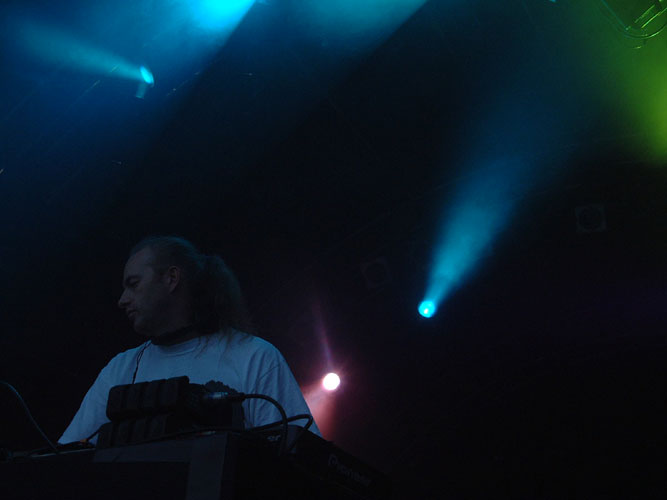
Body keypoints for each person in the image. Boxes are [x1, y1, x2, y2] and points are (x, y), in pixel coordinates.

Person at [59, 236, 320, 444]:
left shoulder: (254, 356)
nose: (122, 300)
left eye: (133, 284)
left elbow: (300, 458)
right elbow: (67, 454)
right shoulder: (119, 369)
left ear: (171, 278)